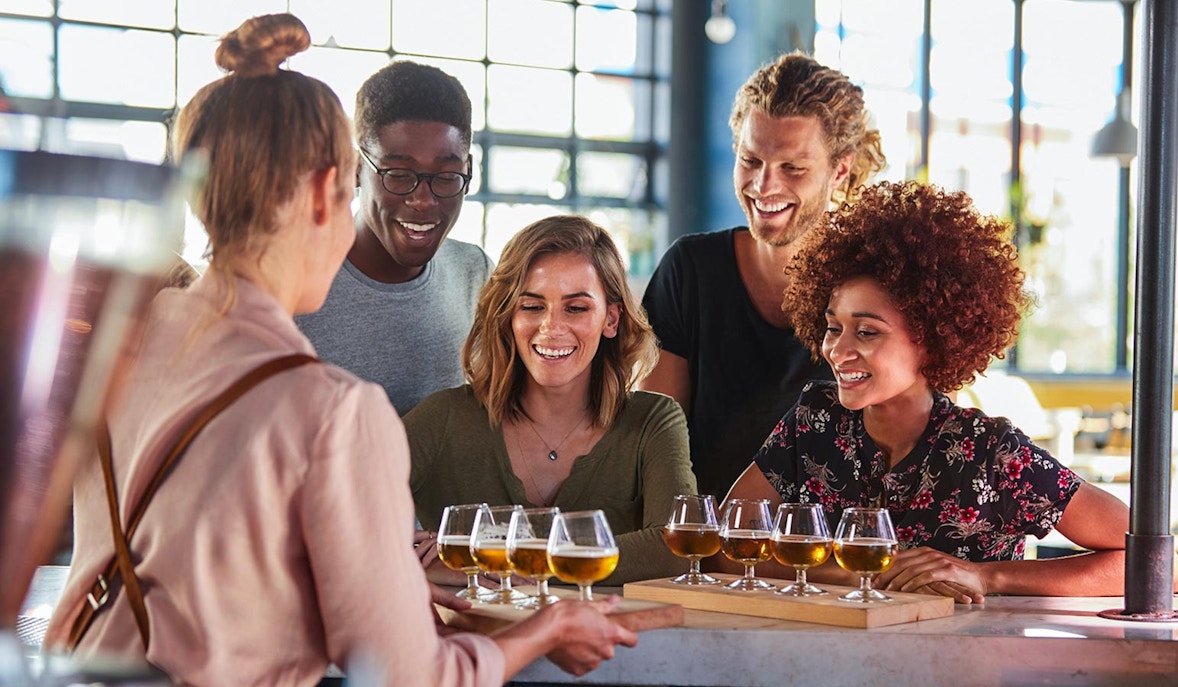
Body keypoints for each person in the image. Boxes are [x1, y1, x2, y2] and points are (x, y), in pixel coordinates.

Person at [43, 14, 634, 685]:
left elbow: (213, 571)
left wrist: (383, 590)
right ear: (332, 190)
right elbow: (411, 676)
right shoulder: (336, 412)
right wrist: (545, 627)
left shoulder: (123, 344)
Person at [720, 180, 1178, 603]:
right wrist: (868, 574)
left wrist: (986, 576)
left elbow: (1163, 570)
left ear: (931, 338)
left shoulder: (991, 452)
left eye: (867, 332)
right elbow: (728, 544)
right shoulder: (813, 423)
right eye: (833, 327)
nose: (838, 350)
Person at [640, 51, 886, 499]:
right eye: (750, 161)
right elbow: (657, 438)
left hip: (832, 555)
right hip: (708, 549)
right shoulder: (690, 271)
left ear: (840, 170)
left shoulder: (880, 286)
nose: (764, 186)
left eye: (793, 168)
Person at [404, 214, 696, 585]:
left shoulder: (654, 420)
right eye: (531, 306)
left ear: (611, 319)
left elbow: (673, 548)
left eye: (576, 308)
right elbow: (336, 512)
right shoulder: (443, 417)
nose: (551, 328)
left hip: (614, 643)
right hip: (477, 642)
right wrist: (406, 555)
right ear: (508, 314)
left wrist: (488, 560)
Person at [295, 59, 492, 415]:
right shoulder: (293, 285)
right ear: (356, 168)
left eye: (447, 176)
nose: (423, 200)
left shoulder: (474, 274)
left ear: (469, 171)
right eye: (398, 174)